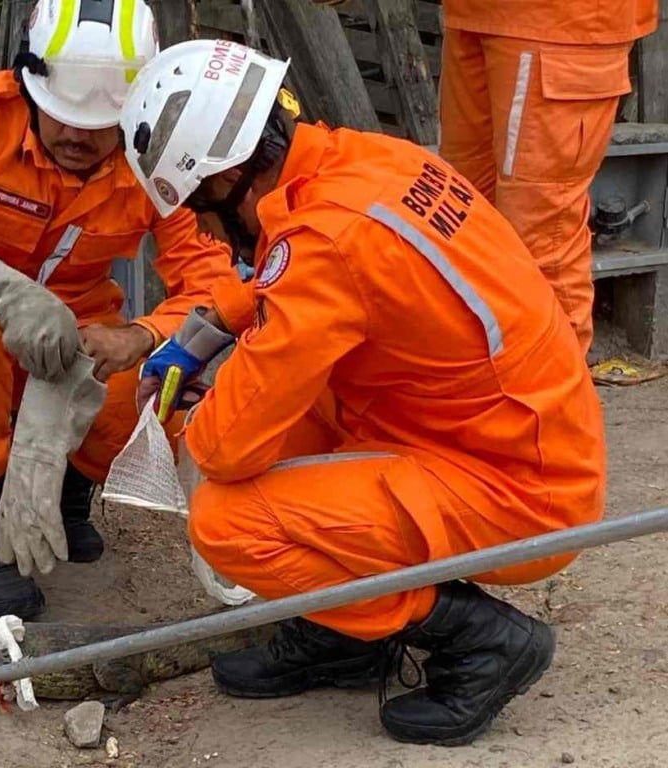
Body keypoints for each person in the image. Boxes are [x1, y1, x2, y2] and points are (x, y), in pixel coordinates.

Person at [120, 40, 606, 746]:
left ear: (223, 181)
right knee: (292, 424)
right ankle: (342, 629)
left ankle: (478, 639)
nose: (199, 227)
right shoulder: (366, 159)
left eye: (198, 209)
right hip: (516, 436)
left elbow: (226, 447)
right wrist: (213, 323)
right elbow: (292, 264)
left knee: (231, 520)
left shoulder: (325, 246)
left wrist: (192, 412)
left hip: (520, 494)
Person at [0, 1, 254, 622]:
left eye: (100, 123)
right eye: (62, 116)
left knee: (151, 383)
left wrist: (141, 334)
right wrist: (2, 293)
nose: (76, 135)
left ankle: (71, 494)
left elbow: (211, 281)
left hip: (83, 328)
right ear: (31, 83)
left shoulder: (157, 153)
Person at [438, 0, 658, 355]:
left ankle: (557, 406)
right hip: (476, 14)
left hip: (560, 23)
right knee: (463, 225)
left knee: (543, 244)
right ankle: (480, 397)